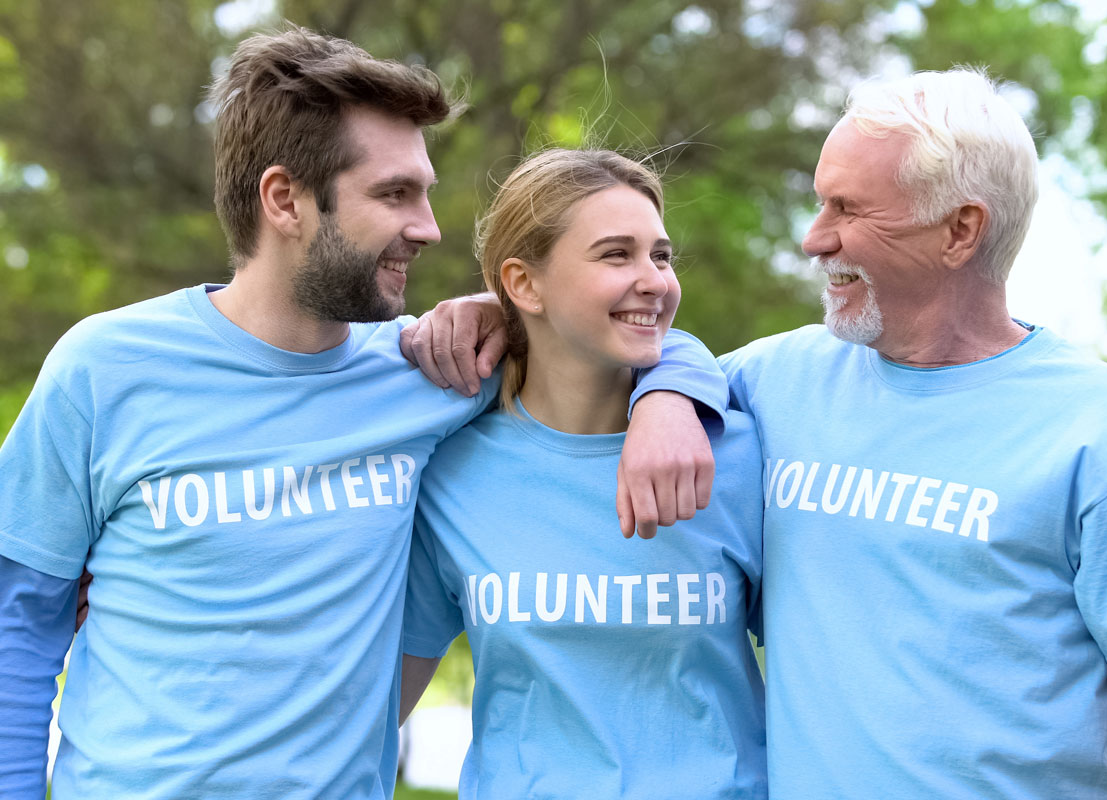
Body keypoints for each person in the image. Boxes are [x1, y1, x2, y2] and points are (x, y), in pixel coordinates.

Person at [403, 68, 1107, 798]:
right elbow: (655, 347)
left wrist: (659, 392)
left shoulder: (1101, 423)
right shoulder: (774, 386)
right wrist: (538, 335)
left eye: (847, 210)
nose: (814, 237)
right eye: (821, 202)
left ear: (960, 231)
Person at [0, 27, 723, 800]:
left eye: (425, 191)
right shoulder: (105, 368)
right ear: (285, 200)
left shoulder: (435, 372)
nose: (429, 227)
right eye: (394, 194)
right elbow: (18, 623)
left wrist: (671, 397)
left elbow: (612, 330)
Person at [398, 148, 767, 799]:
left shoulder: (735, 455)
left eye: (661, 255)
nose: (654, 279)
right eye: (616, 255)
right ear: (523, 284)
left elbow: (828, 672)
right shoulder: (453, 474)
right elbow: (381, 706)